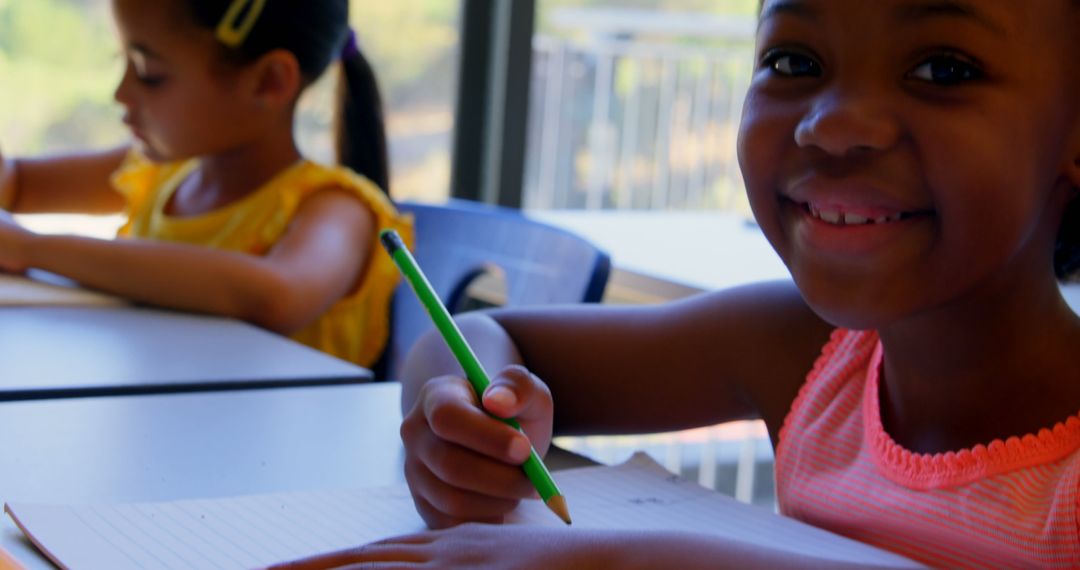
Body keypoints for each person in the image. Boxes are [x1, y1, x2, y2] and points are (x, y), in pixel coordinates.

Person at [278, 0, 1080, 567]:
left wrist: (628, 558)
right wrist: (457, 409)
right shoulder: (808, 350)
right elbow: (492, 337)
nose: (830, 125)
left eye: (944, 68)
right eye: (793, 61)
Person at [0, 0, 412, 368]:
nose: (120, 94)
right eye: (121, 63)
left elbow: (277, 296)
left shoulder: (336, 208)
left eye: (149, 74)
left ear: (268, 81)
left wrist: (32, 248)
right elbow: (17, 182)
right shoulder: (158, 173)